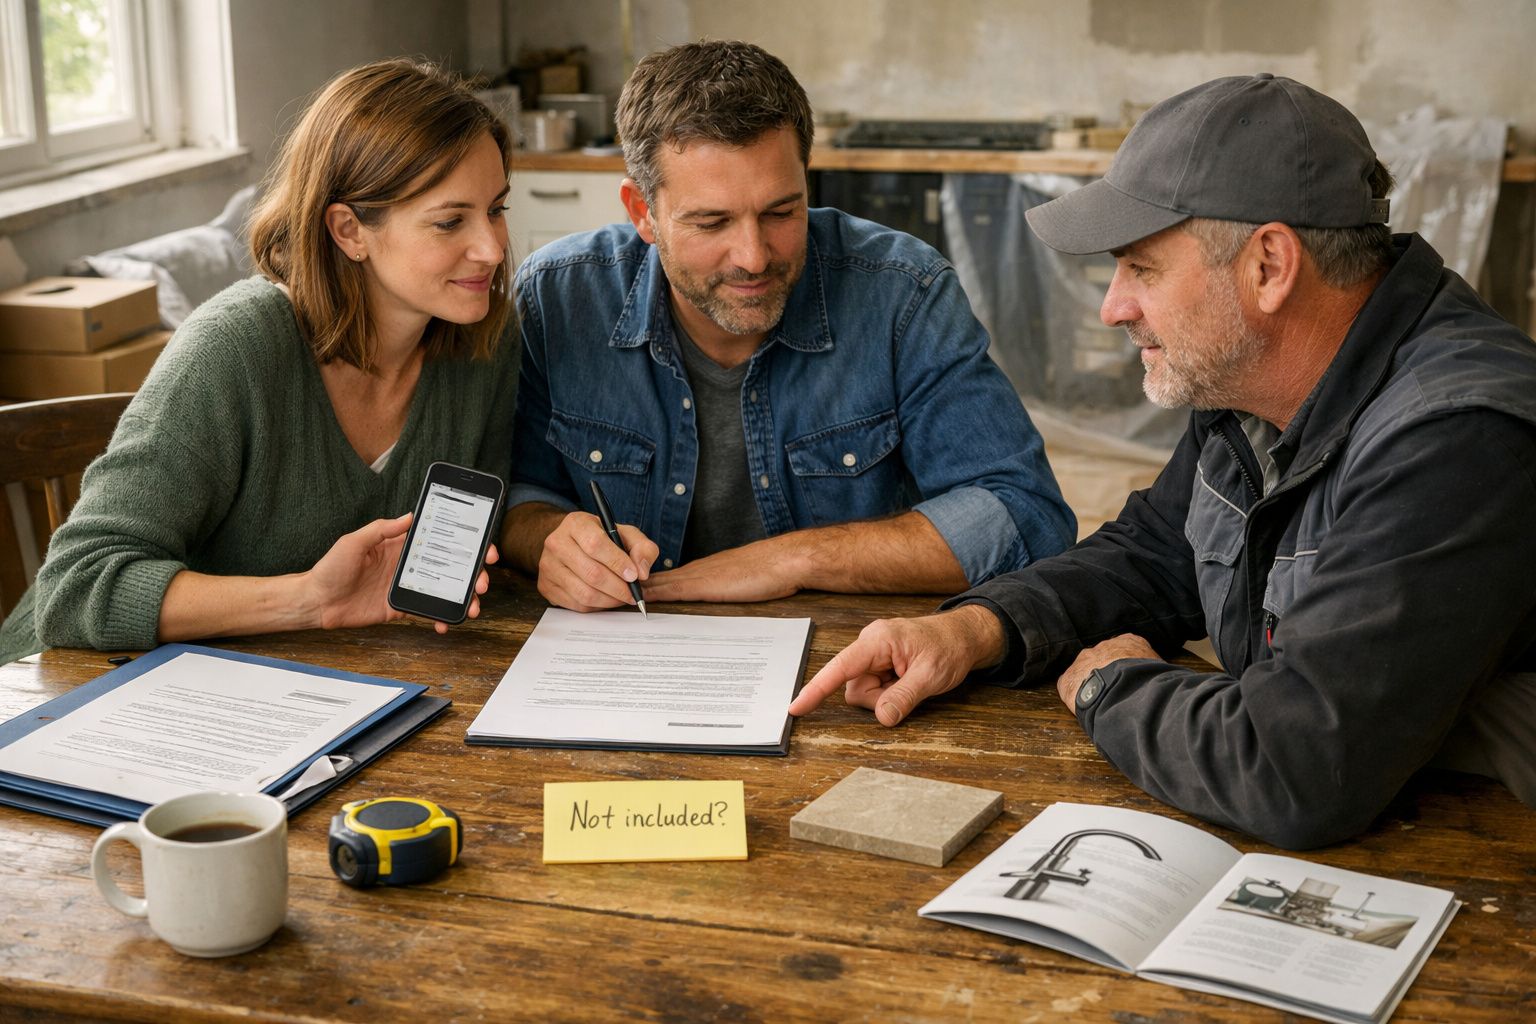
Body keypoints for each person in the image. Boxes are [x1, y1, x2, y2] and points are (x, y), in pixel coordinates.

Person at [790, 73, 1536, 850]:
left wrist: (1111, 688)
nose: (1114, 306)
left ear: (1269, 266)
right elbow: (1150, 556)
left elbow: (1298, 769)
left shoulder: (1456, 438)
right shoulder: (1256, 379)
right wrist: (977, 631)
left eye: (1141, 268)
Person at [503, 41, 1074, 613]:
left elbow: (1025, 514)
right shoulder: (558, 296)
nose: (753, 257)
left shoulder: (904, 292)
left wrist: (792, 559)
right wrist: (548, 539)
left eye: (781, 212)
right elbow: (516, 494)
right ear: (642, 213)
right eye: (711, 221)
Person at [0, 58, 519, 664]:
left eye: (497, 209)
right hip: (68, 693)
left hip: (325, 692)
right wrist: (308, 600)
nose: (491, 247)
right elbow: (74, 587)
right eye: (450, 221)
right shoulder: (234, 348)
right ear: (349, 230)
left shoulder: (485, 340)